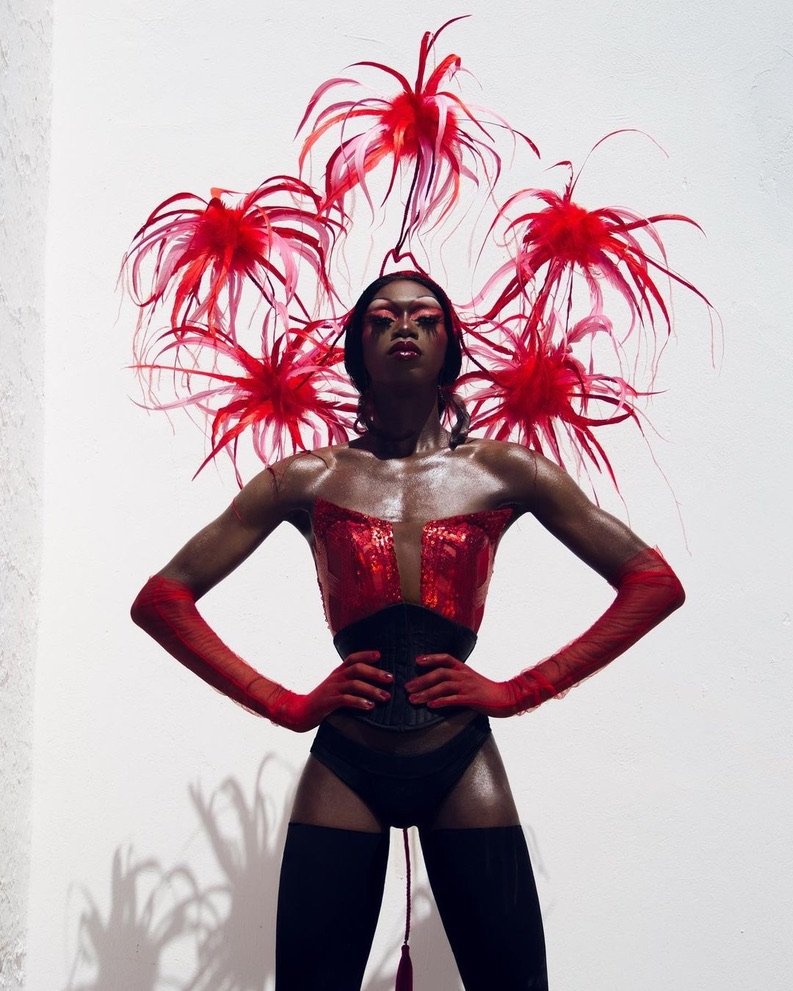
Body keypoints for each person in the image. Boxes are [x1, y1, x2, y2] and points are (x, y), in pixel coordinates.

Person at [131, 271, 685, 991]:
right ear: (357, 344)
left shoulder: (502, 468)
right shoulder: (306, 476)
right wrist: (284, 703)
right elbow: (163, 598)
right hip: (346, 764)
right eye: (383, 317)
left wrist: (522, 689)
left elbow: (652, 582)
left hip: (459, 757)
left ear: (447, 342)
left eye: (424, 317)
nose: (404, 327)